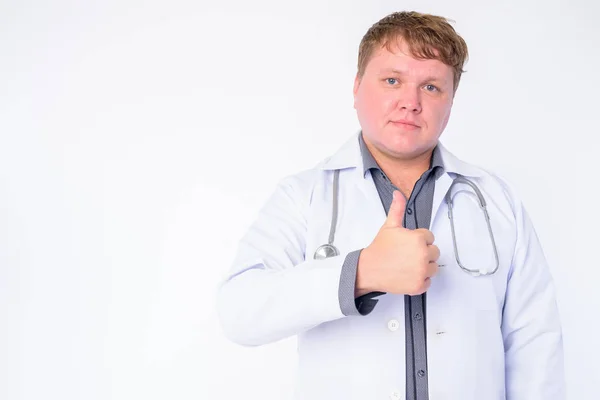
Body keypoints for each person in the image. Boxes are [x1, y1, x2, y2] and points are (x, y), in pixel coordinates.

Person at [216, 10, 565, 400]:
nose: (410, 102)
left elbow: (535, 344)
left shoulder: (499, 201)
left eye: (431, 87)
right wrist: (359, 273)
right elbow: (239, 311)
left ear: (451, 101)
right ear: (356, 88)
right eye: (392, 80)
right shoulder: (303, 195)